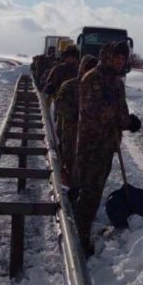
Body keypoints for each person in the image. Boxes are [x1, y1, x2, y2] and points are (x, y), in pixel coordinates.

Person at [74, 41, 141, 254]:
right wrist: (124, 120)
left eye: (123, 59)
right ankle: (79, 238)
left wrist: (128, 121)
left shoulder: (116, 82)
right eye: (117, 58)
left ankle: (81, 227)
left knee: (94, 190)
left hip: (107, 145)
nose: (120, 62)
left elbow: (120, 110)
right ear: (107, 57)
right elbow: (95, 111)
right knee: (90, 191)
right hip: (92, 145)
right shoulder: (92, 79)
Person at [54, 54, 97, 186]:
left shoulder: (96, 87)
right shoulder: (69, 86)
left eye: (92, 68)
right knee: (71, 164)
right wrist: (78, 115)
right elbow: (60, 106)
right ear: (81, 68)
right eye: (87, 68)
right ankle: (71, 191)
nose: (89, 71)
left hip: (89, 135)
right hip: (71, 133)